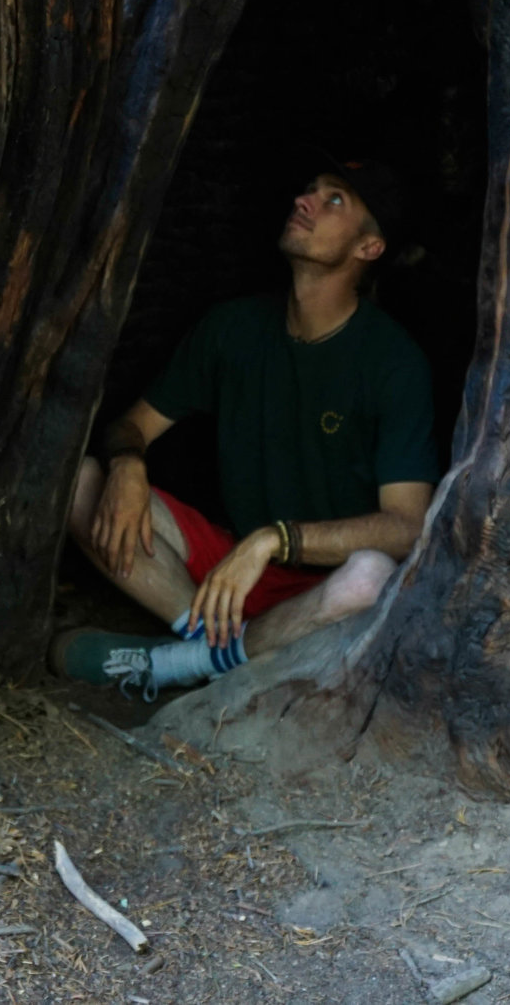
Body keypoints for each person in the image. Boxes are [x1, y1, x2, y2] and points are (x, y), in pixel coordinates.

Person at [54, 160, 438, 697]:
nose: (304, 201)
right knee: (76, 482)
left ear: (368, 248)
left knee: (371, 576)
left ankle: (175, 664)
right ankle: (217, 651)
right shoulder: (233, 329)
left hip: (324, 589)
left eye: (334, 200)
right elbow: (130, 426)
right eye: (308, 190)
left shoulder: (393, 362)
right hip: (229, 579)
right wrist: (127, 463)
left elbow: (406, 526)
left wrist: (272, 541)